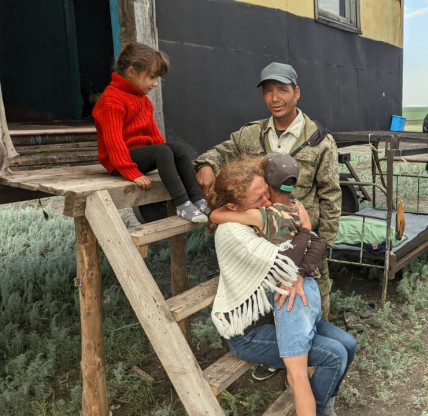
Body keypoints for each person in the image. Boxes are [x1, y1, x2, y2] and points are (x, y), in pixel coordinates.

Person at [193, 62, 341, 380]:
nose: (275, 98)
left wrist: (322, 244)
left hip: (301, 242)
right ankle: (278, 357)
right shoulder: (250, 134)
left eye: (282, 90)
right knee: (269, 302)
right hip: (261, 242)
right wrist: (206, 164)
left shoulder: (319, 141)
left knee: (306, 301)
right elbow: (220, 152)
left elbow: (331, 196)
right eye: (268, 91)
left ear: (296, 92)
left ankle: (309, 369)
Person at [208, 158, 355, 416]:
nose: (268, 202)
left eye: (267, 192)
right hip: (249, 332)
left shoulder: (262, 217)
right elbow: (289, 257)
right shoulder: (233, 231)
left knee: (348, 344)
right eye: (258, 199)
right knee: (333, 355)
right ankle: (320, 411)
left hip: (275, 314)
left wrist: (299, 272)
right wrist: (305, 229)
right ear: (233, 206)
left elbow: (315, 245)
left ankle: (324, 406)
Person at [93, 42, 208, 223]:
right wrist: (131, 172)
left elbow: (154, 135)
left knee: (176, 148)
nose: (155, 83)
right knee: (161, 151)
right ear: (131, 72)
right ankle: (182, 204)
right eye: (152, 77)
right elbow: (113, 142)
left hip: (140, 157)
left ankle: (199, 200)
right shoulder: (111, 100)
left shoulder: (142, 99)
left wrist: (169, 158)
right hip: (118, 162)